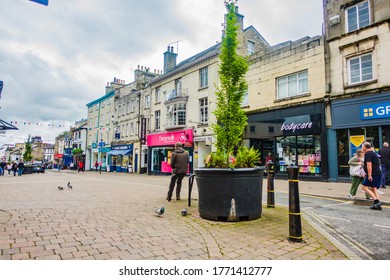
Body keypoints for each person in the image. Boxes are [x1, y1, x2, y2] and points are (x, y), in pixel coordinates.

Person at [361, 142, 382, 210]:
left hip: (373, 174)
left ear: (365, 147)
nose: (362, 148)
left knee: (364, 187)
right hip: (377, 173)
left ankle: (376, 201)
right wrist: (366, 173)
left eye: (362, 146)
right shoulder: (373, 152)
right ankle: (377, 204)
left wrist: (369, 175)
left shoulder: (368, 154)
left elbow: (369, 164)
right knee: (373, 188)